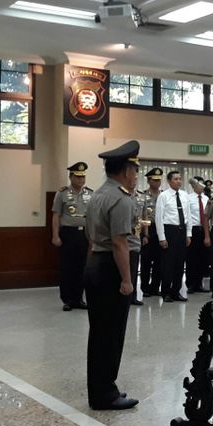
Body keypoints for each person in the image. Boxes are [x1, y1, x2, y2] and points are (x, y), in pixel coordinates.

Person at [83, 140, 141, 410]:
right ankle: (106, 394)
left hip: (96, 263)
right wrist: (127, 280)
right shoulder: (120, 199)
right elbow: (120, 243)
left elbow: (89, 234)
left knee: (99, 332)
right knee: (111, 333)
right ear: (126, 171)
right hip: (111, 269)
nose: (136, 176)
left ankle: (101, 389)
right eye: (135, 170)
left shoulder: (98, 194)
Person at [51, 162, 92, 311]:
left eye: (83, 177)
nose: (81, 180)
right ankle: (67, 300)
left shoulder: (90, 193)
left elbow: (93, 217)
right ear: (71, 177)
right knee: (67, 267)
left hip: (84, 234)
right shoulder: (62, 193)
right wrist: (55, 236)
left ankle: (78, 299)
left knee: (82, 268)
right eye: (78, 176)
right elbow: (56, 215)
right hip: (68, 234)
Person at [155, 170, 192, 303]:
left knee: (179, 264)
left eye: (180, 179)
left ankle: (176, 291)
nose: (179, 181)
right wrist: (162, 237)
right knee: (168, 264)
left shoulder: (184, 195)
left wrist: (188, 234)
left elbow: (188, 215)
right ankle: (166, 292)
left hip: (182, 231)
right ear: (169, 181)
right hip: (169, 231)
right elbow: (159, 217)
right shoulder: (163, 196)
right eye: (175, 179)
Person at [140, 168, 163, 297]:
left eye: (159, 180)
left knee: (159, 261)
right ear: (148, 180)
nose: (157, 182)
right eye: (154, 180)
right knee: (146, 261)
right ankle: (145, 288)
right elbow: (142, 216)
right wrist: (145, 234)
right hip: (148, 229)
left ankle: (155, 287)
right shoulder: (142, 195)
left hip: (160, 230)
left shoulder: (163, 195)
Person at [186, 178, 210, 294]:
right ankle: (190, 284)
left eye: (203, 185)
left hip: (204, 230)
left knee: (202, 258)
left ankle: (199, 284)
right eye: (199, 185)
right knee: (192, 258)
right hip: (193, 229)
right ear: (194, 187)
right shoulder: (188, 198)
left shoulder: (207, 199)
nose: (202, 187)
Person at [128, 184, 145, 306]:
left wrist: (146, 235)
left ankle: (133, 296)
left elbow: (144, 217)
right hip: (123, 235)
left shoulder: (140, 196)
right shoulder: (121, 195)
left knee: (134, 268)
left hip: (136, 237)